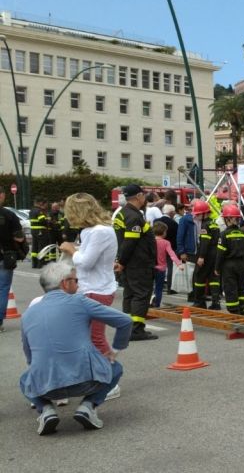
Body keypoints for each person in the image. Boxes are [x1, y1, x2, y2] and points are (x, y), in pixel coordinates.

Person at [20, 262, 131, 435]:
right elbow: (125, 321)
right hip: (85, 382)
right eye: (76, 280)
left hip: (46, 387)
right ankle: (88, 406)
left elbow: (29, 356)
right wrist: (115, 350)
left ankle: (46, 410)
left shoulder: (28, 314)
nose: (78, 285)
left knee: (24, 380)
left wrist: (39, 373)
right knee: (115, 367)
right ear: (65, 283)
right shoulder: (80, 301)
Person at [58, 192, 122, 400]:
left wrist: (71, 249)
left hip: (96, 290)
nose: (68, 217)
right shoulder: (97, 230)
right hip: (95, 288)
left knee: (94, 337)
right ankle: (97, 376)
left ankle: (111, 381)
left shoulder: (98, 232)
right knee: (88, 337)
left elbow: (86, 262)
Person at [113, 184, 158, 341]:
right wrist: (122, 261)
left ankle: (128, 328)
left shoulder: (123, 213)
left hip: (130, 262)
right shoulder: (133, 217)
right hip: (138, 263)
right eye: (143, 195)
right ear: (139, 196)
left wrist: (121, 261)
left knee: (130, 294)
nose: (144, 198)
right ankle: (136, 330)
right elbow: (130, 242)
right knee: (141, 295)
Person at [0, 190, 28, 332]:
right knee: (3, 288)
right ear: (2, 196)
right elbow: (19, 237)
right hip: (5, 256)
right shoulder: (9, 215)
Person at [215, 205, 244, 315]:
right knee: (241, 287)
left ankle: (234, 310)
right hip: (241, 264)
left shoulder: (224, 234)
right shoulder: (243, 233)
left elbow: (220, 253)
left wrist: (217, 268)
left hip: (228, 265)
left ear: (228, 219)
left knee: (230, 288)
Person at [188, 200, 222, 310]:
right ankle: (216, 303)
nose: (196, 216)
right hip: (215, 254)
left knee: (199, 276)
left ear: (204, 214)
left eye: (198, 214)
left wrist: (201, 257)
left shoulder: (205, 225)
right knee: (213, 278)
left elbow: (205, 242)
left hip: (207, 254)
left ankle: (199, 302)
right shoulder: (214, 224)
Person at [151, 221, 183, 308]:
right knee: (158, 288)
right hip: (161, 269)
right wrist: (179, 264)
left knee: (149, 287)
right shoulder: (166, 242)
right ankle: (156, 304)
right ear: (163, 232)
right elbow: (171, 254)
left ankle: (148, 303)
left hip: (150, 268)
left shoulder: (150, 241)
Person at [157, 204, 179, 295]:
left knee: (157, 266)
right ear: (171, 213)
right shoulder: (174, 223)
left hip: (157, 248)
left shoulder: (156, 221)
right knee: (170, 268)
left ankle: (157, 286)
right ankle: (170, 288)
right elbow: (176, 237)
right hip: (170, 247)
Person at [29, 198, 51, 268]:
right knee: (41, 247)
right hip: (40, 231)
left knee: (34, 247)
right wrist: (47, 221)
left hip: (33, 231)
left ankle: (34, 263)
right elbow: (42, 221)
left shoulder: (31, 211)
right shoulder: (39, 211)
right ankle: (40, 264)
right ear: (39, 203)